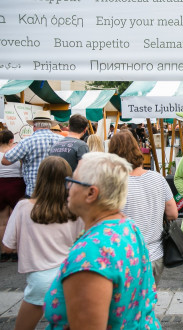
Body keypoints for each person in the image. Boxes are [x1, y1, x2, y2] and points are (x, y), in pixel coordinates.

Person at [43, 152, 160, 329]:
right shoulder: (128, 226)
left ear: (91, 193)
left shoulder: (91, 255)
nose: (68, 187)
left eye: (73, 182)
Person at [2, 157, 83, 330]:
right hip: (70, 277)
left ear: (40, 178)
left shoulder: (23, 207)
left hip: (39, 280)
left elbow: (7, 246)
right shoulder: (76, 209)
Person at [109, 130, 178, 285]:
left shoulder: (113, 183)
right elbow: (173, 213)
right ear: (137, 148)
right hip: (155, 255)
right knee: (149, 302)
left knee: (127, 304)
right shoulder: (157, 178)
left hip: (124, 256)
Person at [1, 110, 62, 197]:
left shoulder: (26, 141)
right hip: (57, 189)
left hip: (34, 190)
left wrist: (13, 146)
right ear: (49, 126)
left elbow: (5, 160)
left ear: (34, 126)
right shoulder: (62, 140)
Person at [0, 130, 25, 262]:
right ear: (11, 140)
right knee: (16, 220)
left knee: (2, 221)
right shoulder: (14, 153)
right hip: (16, 185)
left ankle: (4, 251)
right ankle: (15, 251)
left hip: (1, 185)